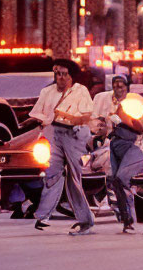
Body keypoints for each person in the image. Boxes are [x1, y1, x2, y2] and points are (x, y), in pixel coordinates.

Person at [22, 59, 95, 235]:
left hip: (74, 136)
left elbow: (86, 116)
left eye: (64, 74)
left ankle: (86, 220)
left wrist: (68, 118)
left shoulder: (80, 91)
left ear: (71, 76)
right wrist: (33, 121)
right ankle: (43, 216)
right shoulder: (47, 91)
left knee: (74, 180)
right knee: (52, 173)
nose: (60, 77)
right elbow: (40, 113)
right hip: (53, 133)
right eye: (57, 74)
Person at [91, 74, 143, 233]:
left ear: (127, 87)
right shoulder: (106, 104)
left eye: (122, 85)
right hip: (114, 147)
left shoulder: (135, 104)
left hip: (134, 148)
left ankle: (133, 217)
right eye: (115, 85)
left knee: (121, 178)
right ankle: (127, 220)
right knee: (115, 181)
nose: (119, 88)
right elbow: (97, 127)